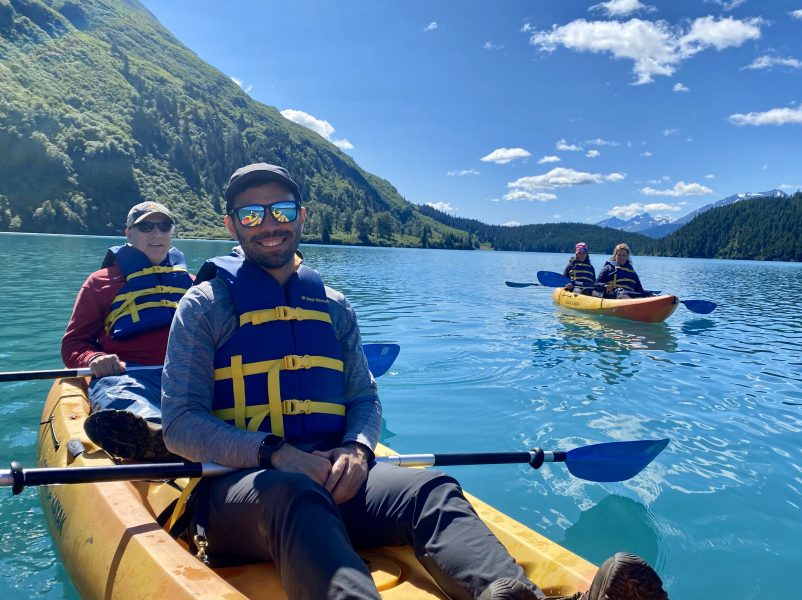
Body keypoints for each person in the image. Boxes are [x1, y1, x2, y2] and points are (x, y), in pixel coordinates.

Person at [161, 163, 668, 600]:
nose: (269, 224)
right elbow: (180, 424)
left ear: (301, 218)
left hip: (335, 479)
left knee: (430, 488)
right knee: (295, 494)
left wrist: (359, 450)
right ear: (231, 224)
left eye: (283, 211)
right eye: (252, 214)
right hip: (238, 491)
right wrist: (273, 452)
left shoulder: (334, 306)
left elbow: (363, 397)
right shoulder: (205, 306)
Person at [61, 201, 193, 460]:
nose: (156, 234)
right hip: (128, 376)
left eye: (164, 226)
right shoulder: (100, 282)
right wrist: (94, 359)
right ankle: (154, 438)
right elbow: (73, 344)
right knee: (118, 395)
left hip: (188, 377)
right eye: (146, 227)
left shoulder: (192, 283)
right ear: (128, 233)